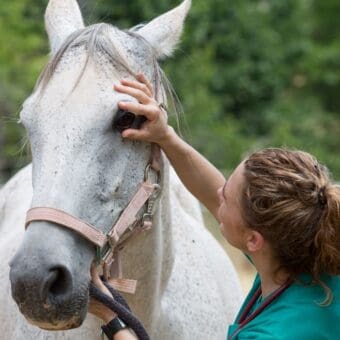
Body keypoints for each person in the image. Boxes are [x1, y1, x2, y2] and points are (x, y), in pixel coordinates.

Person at [90, 74, 340, 339]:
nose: (218, 193)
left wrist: (111, 315)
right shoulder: (311, 260)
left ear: (254, 240)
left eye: (227, 199)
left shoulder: (269, 335)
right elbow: (212, 190)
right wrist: (165, 136)